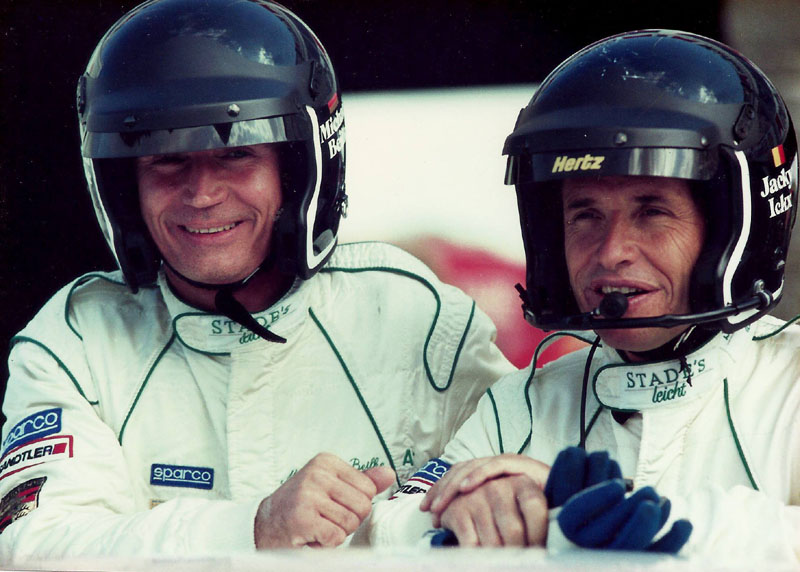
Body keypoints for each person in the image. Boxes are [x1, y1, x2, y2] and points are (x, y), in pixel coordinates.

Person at [0, 0, 514, 560]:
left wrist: (414, 515)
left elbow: (519, 482)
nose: (202, 194)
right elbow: (32, 546)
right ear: (126, 189)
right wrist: (255, 526)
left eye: (235, 154)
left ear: (294, 174)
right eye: (166, 160)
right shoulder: (78, 341)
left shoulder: (414, 315)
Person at [365, 29, 800, 562]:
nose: (612, 251)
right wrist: (466, 508)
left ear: (730, 231)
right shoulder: (525, 404)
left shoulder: (790, 385)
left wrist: (660, 519)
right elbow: (390, 522)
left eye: (652, 212)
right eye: (586, 215)